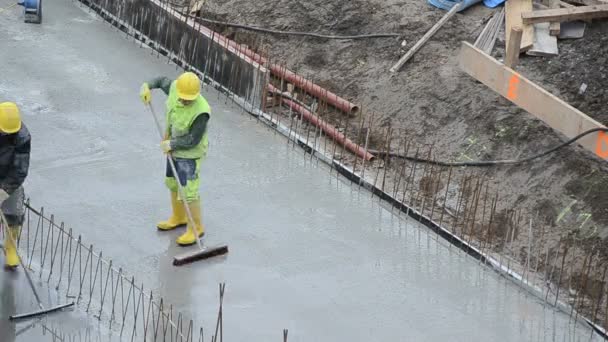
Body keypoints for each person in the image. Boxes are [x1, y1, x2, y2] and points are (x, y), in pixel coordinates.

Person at [139, 72, 211, 246]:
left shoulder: (201, 111)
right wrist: (147, 85)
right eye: (183, 98)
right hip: (172, 149)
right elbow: (160, 80)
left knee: (189, 191)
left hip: (189, 155)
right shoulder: (174, 88)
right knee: (172, 182)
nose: (186, 101)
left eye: (189, 99)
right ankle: (179, 217)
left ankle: (196, 228)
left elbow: (192, 140)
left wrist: (171, 144)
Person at [0, 102, 31, 268]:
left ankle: (10, 247)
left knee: (14, 212)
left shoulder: (22, 137)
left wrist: (5, 190)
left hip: (9, 177)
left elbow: (20, 169)